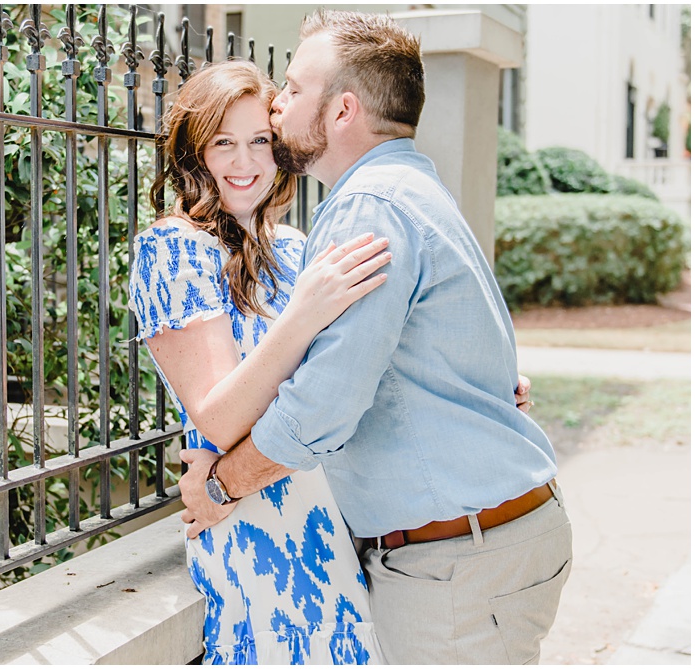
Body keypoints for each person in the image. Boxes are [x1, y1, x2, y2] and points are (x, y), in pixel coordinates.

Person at [177, 10, 571, 666]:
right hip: (486, 544)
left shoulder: (372, 206)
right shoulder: (411, 185)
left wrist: (220, 484)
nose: (279, 101)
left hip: (456, 566)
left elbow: (321, 406)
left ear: (343, 110)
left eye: (296, 88)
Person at [128, 60, 392, 664]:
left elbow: (350, 373)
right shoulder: (172, 250)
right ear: (194, 152)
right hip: (255, 523)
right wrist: (305, 314)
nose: (244, 163)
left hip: (340, 514)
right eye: (223, 143)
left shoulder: (297, 249)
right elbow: (220, 418)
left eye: (259, 141)